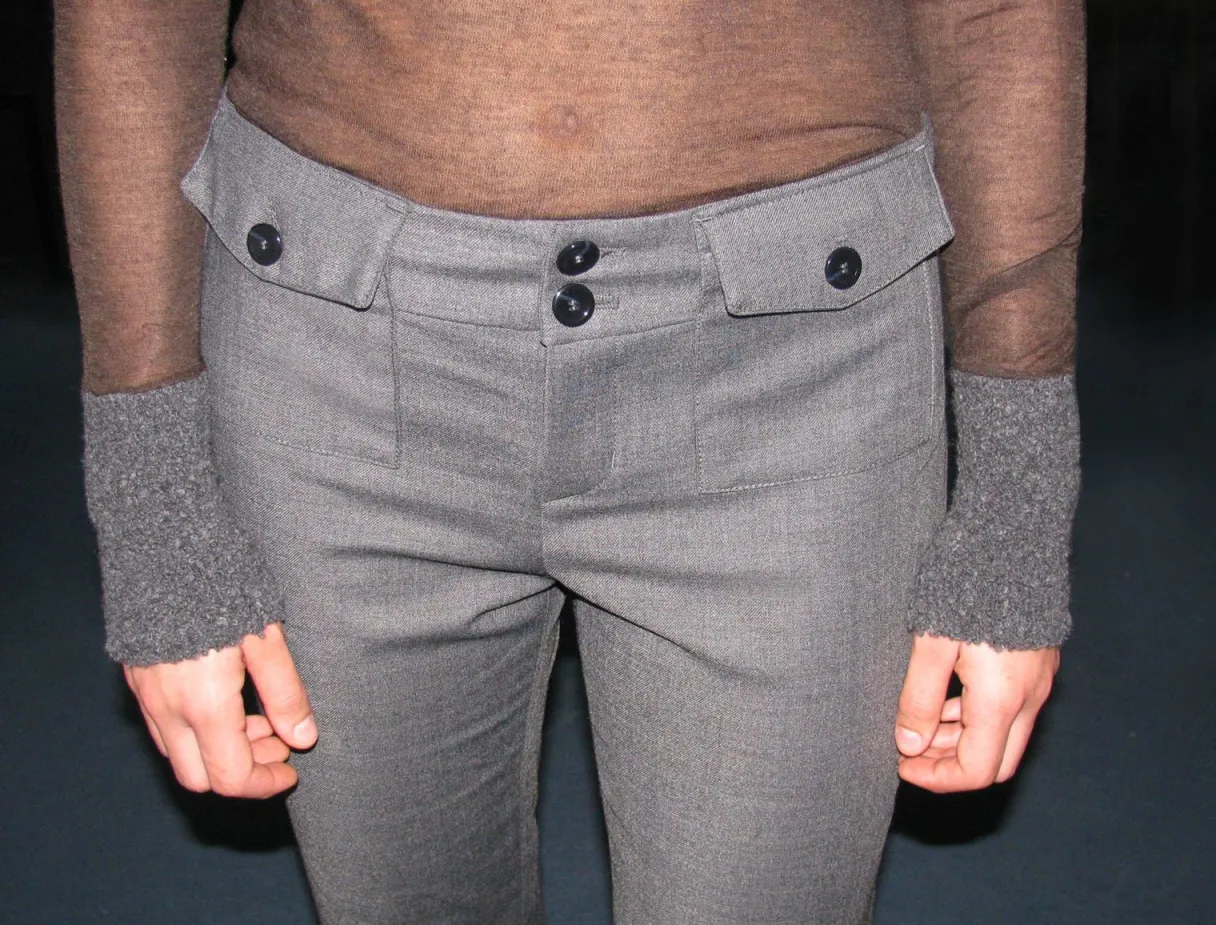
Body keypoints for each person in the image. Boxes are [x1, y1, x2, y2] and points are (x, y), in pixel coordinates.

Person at [53, 0, 1084, 922]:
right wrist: (156, 518)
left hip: (800, 363)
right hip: (333, 351)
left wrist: (1015, 510)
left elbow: (996, 17)